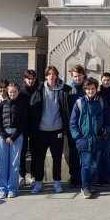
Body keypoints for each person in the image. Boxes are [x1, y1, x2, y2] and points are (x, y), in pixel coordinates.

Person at [29, 66, 71, 194]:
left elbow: (66, 109)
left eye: (53, 74)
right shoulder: (39, 89)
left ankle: (57, 182)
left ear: (57, 75)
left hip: (56, 129)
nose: (51, 76)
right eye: (49, 74)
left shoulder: (64, 90)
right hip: (41, 130)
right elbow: (33, 109)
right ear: (45, 76)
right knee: (39, 158)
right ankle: (38, 182)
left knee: (57, 158)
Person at [69, 77, 110, 199]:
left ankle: (88, 183)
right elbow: (73, 123)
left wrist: (106, 132)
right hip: (84, 140)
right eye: (88, 89)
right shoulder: (79, 103)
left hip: (98, 141)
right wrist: (78, 137)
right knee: (86, 165)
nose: (90, 91)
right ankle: (85, 187)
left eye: (92, 89)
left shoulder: (102, 102)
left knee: (94, 166)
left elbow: (108, 120)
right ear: (84, 90)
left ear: (96, 89)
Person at [0, 82, 28, 198]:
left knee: (14, 163)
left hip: (16, 135)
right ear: (7, 92)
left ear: (18, 92)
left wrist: (14, 136)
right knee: (2, 162)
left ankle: (12, 188)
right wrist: (5, 136)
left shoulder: (22, 105)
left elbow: (24, 123)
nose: (12, 94)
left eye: (15, 91)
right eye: (10, 92)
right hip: (3, 135)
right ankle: (1, 188)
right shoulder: (2, 104)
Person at [66, 65, 86, 188]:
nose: (77, 78)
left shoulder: (88, 88)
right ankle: (74, 177)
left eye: (79, 75)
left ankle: (85, 177)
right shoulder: (69, 90)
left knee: (85, 153)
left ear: (83, 75)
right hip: (73, 127)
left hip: (86, 127)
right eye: (75, 76)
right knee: (73, 152)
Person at [19, 69, 39, 186]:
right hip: (23, 126)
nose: (31, 81)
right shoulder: (21, 92)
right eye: (28, 78)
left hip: (35, 125)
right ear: (25, 79)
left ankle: (33, 175)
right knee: (22, 151)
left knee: (35, 152)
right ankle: (22, 175)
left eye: (32, 78)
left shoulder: (38, 90)